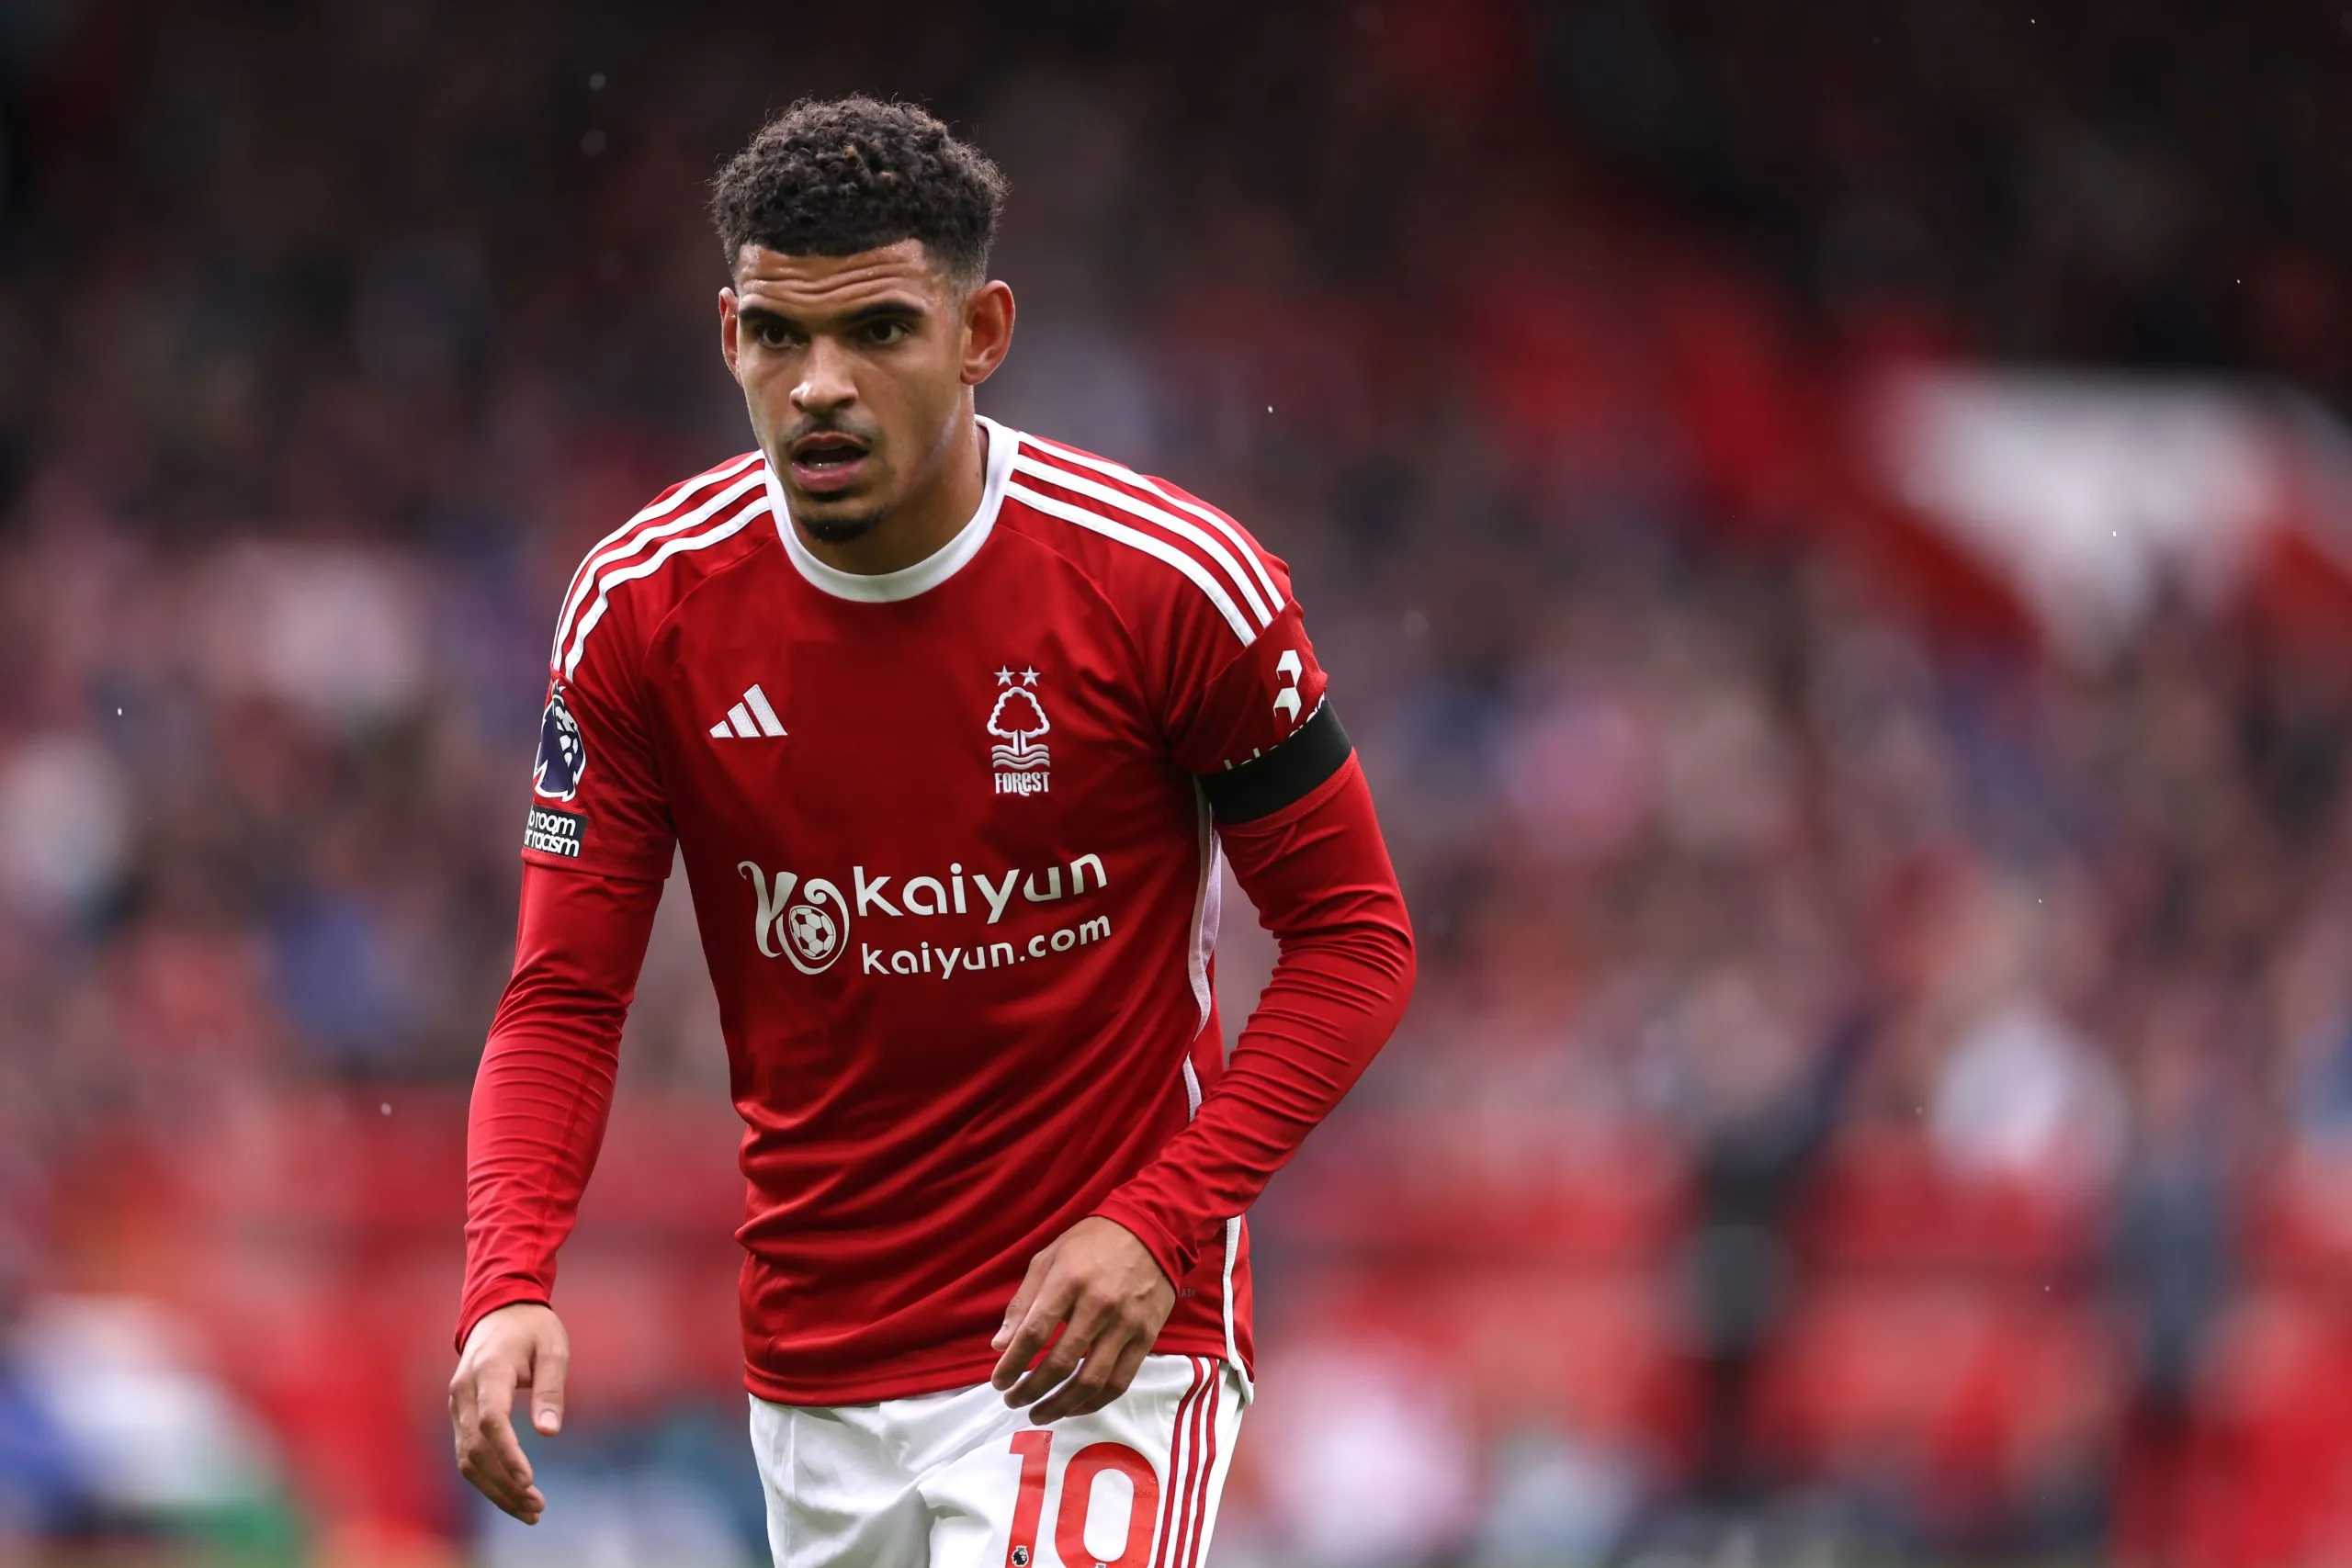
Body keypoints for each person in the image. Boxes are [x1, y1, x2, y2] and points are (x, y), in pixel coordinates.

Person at [447, 96, 1415, 1568]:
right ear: (728, 338)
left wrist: (1163, 1219)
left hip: (1102, 1349)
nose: (819, 384)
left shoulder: (1169, 585)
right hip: (819, 1371)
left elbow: (1356, 940)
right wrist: (507, 1277)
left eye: (880, 332)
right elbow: (565, 994)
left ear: (982, 331)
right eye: (778, 336)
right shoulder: (645, 608)